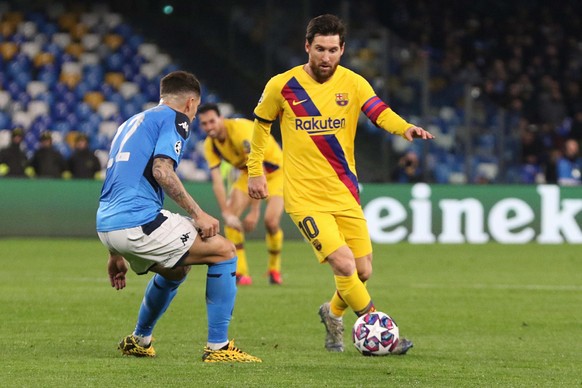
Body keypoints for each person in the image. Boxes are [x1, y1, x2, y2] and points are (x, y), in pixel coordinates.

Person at [247, 14, 434, 354]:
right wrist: (254, 169)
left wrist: (404, 127)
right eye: (319, 49)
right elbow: (260, 126)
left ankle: (331, 313)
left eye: (333, 50)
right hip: (304, 198)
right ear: (307, 47)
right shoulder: (282, 86)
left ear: (342, 49)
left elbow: (379, 111)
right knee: (344, 264)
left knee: (361, 271)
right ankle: (382, 334)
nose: (326, 57)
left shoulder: (353, 83)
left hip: (344, 192)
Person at [96, 70, 261, 363]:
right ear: (189, 103)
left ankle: (140, 340)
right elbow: (162, 171)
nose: (195, 117)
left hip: (108, 223)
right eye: (196, 109)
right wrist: (199, 214)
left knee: (175, 270)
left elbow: (117, 182)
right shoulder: (176, 119)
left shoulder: (129, 123)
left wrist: (113, 252)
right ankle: (218, 347)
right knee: (224, 251)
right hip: (138, 221)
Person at [197, 103, 285, 286]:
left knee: (271, 221)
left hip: (276, 172)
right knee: (231, 221)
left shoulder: (240, 130)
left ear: (221, 118)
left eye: (212, 121)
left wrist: (254, 210)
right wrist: (226, 213)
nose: (209, 127)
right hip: (248, 174)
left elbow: (257, 167)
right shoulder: (210, 145)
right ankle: (241, 273)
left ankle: (274, 269)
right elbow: (217, 182)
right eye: (204, 124)